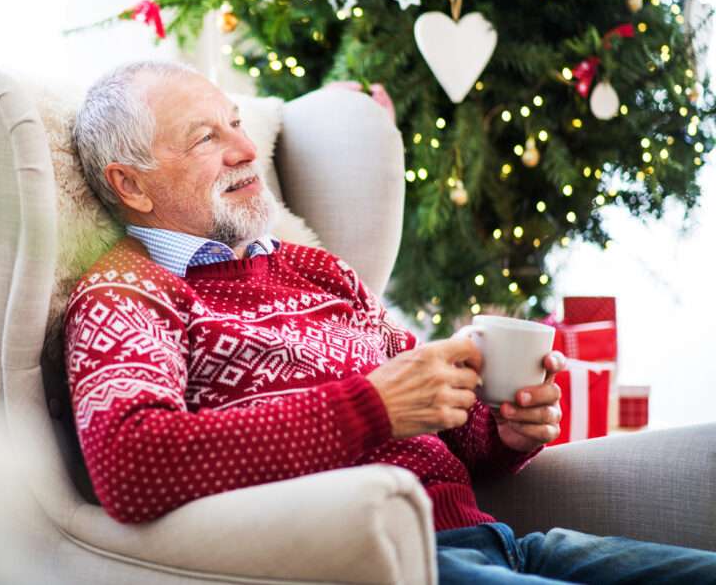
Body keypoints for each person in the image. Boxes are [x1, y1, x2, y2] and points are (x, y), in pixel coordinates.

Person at [63, 60, 716, 583]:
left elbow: (443, 428)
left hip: (500, 542)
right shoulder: (127, 292)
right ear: (132, 185)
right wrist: (371, 407)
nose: (245, 149)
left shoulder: (317, 270)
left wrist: (504, 430)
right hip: (396, 565)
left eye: (237, 123)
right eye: (207, 137)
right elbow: (131, 463)